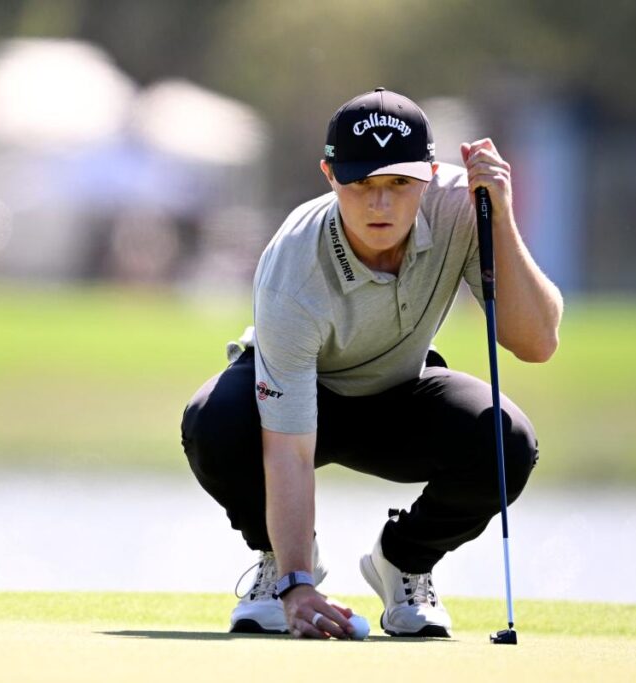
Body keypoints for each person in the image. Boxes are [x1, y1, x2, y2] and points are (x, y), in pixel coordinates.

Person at [181, 88, 563, 639]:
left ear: (431, 173)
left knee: (506, 440)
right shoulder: (292, 265)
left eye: (399, 184)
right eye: (361, 184)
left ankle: (404, 562)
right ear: (330, 174)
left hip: (400, 392)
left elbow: (536, 343)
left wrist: (499, 219)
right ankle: (280, 559)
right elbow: (287, 447)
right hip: (299, 392)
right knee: (212, 423)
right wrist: (297, 581)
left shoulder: (464, 206)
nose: (379, 205)